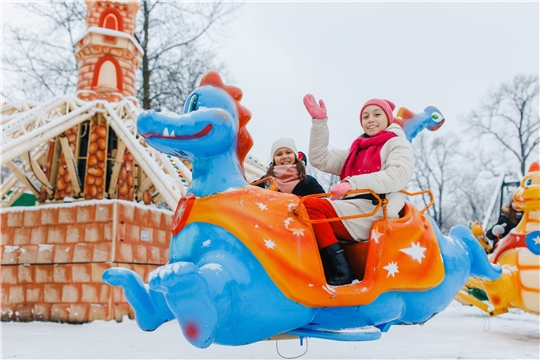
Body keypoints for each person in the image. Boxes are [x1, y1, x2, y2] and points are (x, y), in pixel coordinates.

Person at [301, 95, 415, 286]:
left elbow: (397, 176)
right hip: (352, 208)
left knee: (310, 206)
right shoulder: (357, 149)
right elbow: (320, 159)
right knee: (298, 208)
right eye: (365, 116)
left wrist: (352, 184)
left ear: (388, 118)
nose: (370, 119)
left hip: (376, 208)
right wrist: (319, 123)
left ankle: (341, 271)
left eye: (377, 114)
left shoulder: (397, 144)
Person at [254, 137, 325, 196]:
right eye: (279, 154)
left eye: (288, 152)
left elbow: (324, 202)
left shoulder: (308, 181)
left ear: (295, 156)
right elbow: (247, 192)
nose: (284, 156)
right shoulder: (266, 181)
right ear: (274, 160)